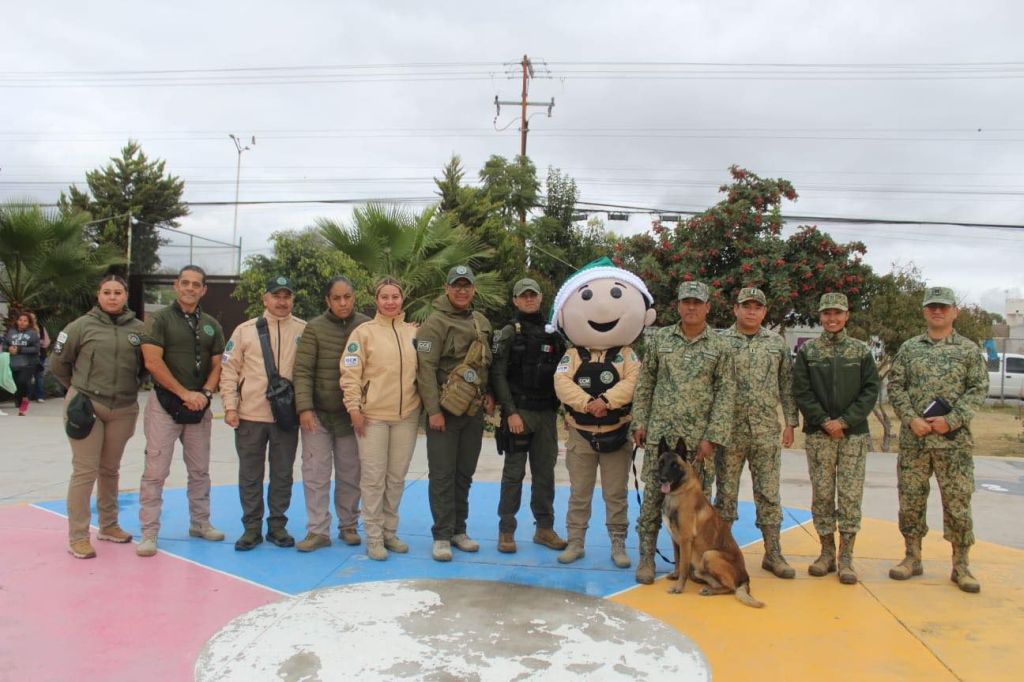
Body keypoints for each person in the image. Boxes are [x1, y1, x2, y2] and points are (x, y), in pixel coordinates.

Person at [551, 258, 656, 568]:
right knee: (578, 494)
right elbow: (561, 382)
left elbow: (635, 382)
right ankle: (575, 542)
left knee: (615, 494)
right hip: (581, 434)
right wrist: (586, 404)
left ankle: (618, 544)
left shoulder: (627, 355)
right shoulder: (572, 355)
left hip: (617, 434)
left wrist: (606, 401)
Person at [632, 281, 736, 585]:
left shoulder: (720, 346)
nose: (691, 307)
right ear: (678, 305)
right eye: (686, 302)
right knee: (653, 501)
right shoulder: (659, 340)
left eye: (697, 302)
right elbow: (645, 384)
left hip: (697, 444)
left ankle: (696, 565)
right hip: (660, 438)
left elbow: (725, 393)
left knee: (696, 509)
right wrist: (640, 422)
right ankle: (647, 560)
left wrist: (712, 437)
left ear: (707, 307)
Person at [887, 286, 988, 593]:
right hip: (915, 441)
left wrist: (951, 420)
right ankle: (912, 557)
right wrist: (911, 418)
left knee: (958, 504)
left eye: (943, 307)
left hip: (953, 443)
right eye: (932, 307)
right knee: (911, 502)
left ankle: (961, 566)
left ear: (955, 312)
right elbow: (895, 386)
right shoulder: (909, 348)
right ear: (924, 312)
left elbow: (978, 389)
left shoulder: (968, 350)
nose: (937, 311)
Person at [50, 275, 146, 559]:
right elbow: (58, 363)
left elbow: (146, 366)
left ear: (126, 295)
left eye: (118, 292)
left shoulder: (140, 329)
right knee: (85, 471)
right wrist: (76, 389)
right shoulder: (80, 326)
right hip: (86, 405)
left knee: (110, 469)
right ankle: (78, 536)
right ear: (98, 295)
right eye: (107, 292)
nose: (113, 297)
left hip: (124, 408)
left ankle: (109, 525)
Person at [136, 265, 226, 557]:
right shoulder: (159, 320)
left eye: (196, 284)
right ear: (176, 286)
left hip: (199, 408)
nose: (190, 288)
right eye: (185, 283)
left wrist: (206, 393)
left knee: (200, 470)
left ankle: (200, 523)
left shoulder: (212, 324)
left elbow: (217, 365)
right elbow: (152, 362)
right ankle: (149, 533)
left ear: (204, 290)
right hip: (165, 404)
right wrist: (183, 393)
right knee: (156, 471)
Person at [792, 292, 880, 585]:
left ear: (846, 315)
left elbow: (870, 391)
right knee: (823, 495)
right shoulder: (808, 352)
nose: (832, 318)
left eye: (837, 313)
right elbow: (802, 391)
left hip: (852, 436)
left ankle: (846, 558)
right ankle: (826, 553)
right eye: (827, 313)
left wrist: (844, 422)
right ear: (820, 316)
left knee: (851, 496)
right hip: (819, 436)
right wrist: (824, 421)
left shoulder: (860, 351)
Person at [715, 287, 800, 579]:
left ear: (764, 312)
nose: (751, 311)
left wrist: (790, 422)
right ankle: (723, 551)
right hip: (729, 432)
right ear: (735, 309)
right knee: (725, 495)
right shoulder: (720, 342)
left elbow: (786, 385)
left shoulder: (776, 344)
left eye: (757, 307)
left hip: (765, 430)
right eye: (745, 306)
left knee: (768, 493)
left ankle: (773, 553)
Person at [220, 276, 306, 551]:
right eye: (276, 296)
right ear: (265, 299)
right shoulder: (244, 330)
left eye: (287, 296)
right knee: (250, 475)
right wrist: (231, 406)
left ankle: (277, 526)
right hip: (250, 415)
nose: (282, 301)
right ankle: (252, 528)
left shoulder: (304, 330)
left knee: (282, 474)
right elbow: (229, 370)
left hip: (286, 417)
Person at [340, 277, 422, 561]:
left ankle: (390, 532)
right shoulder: (363, 333)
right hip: (372, 417)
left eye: (395, 297)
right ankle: (373, 536)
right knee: (373, 479)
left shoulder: (414, 333)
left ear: (403, 300)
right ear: (376, 301)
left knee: (396, 478)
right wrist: (354, 409)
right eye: (384, 297)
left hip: (406, 417)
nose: (390, 302)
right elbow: (350, 374)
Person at [416, 265, 493, 562]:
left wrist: (490, 396)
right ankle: (442, 535)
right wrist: (433, 411)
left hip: (472, 411)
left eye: (467, 286)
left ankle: (459, 530)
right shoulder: (434, 324)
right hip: (444, 414)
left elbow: (487, 364)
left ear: (473, 289)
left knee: (464, 475)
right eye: (456, 285)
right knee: (442, 475)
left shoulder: (481, 321)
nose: (462, 290)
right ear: (446, 289)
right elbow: (425, 370)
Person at [490, 278, 568, 554]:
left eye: (533, 295)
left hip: (546, 414)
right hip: (519, 413)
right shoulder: (510, 332)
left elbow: (564, 372)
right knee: (513, 474)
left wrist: (564, 410)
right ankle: (506, 530)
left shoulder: (554, 334)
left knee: (545, 474)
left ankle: (544, 528)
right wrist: (509, 411)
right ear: (515, 300)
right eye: (524, 296)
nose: (529, 299)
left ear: (540, 298)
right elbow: (497, 374)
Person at [292, 276, 370, 552]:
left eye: (347, 296)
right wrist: (304, 408)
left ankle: (348, 525)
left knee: (351, 474)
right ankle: (318, 531)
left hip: (351, 418)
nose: (343, 302)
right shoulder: (314, 328)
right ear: (327, 300)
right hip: (318, 417)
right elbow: (302, 371)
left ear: (354, 297)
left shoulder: (366, 325)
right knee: (315, 473)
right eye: (336, 298)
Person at [4, 311, 40, 416]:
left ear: (29, 322)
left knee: (22, 381)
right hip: (13, 363)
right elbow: (5, 345)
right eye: (20, 320)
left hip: (28, 363)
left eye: (25, 321)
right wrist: (8, 349)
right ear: (17, 321)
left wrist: (19, 350)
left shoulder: (33, 333)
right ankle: (20, 401)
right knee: (16, 384)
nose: (22, 322)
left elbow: (36, 349)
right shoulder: (11, 332)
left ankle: (25, 400)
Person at [30, 312, 50, 402]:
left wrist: (38, 343)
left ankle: (40, 396)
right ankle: (27, 396)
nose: (32, 320)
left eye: (33, 318)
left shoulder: (41, 328)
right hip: (26, 356)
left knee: (39, 376)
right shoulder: (23, 330)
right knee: (27, 376)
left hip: (40, 355)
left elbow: (46, 342)